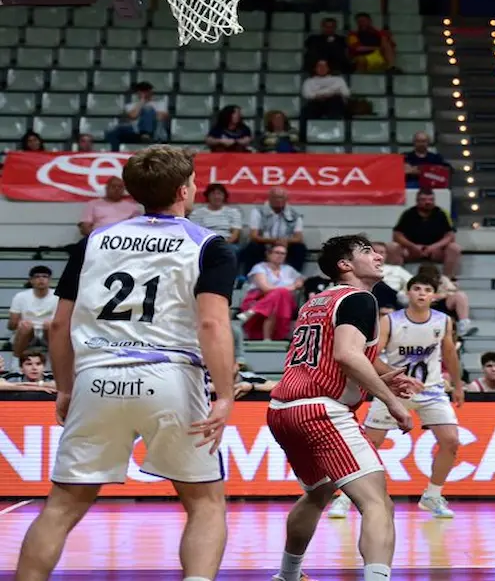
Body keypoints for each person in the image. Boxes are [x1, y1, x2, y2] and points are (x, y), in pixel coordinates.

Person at [15, 145, 238, 581]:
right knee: (205, 503)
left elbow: (59, 327)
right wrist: (226, 393)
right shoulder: (209, 245)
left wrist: (64, 388)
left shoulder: (93, 241)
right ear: (184, 189)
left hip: (98, 377)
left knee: (61, 506)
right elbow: (213, 324)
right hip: (171, 376)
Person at [265, 235, 424, 581]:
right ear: (345, 265)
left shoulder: (317, 300)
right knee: (377, 503)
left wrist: (384, 374)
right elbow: (347, 355)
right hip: (321, 410)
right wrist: (392, 402)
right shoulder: (360, 299)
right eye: (367, 252)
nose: (379, 256)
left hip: (282, 410)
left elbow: (339, 351)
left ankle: (288, 575)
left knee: (318, 492)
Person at [337, 275, 464, 520]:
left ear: (434, 295)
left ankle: (433, 495)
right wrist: (396, 378)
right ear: (408, 293)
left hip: (431, 389)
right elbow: (371, 356)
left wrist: (458, 385)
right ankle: (345, 496)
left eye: (427, 289)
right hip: (394, 388)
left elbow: (449, 354)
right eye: (416, 288)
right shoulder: (389, 321)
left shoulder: (443, 321)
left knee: (451, 440)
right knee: (370, 443)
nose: (421, 293)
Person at [8, 265, 56, 360]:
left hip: (48, 333)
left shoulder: (58, 297)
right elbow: (11, 326)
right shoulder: (20, 297)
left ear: (50, 280)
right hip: (28, 334)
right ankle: (16, 363)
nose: (41, 279)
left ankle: (56, 362)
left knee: (50, 325)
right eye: (37, 277)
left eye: (44, 276)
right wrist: (20, 324)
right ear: (31, 280)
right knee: (26, 327)